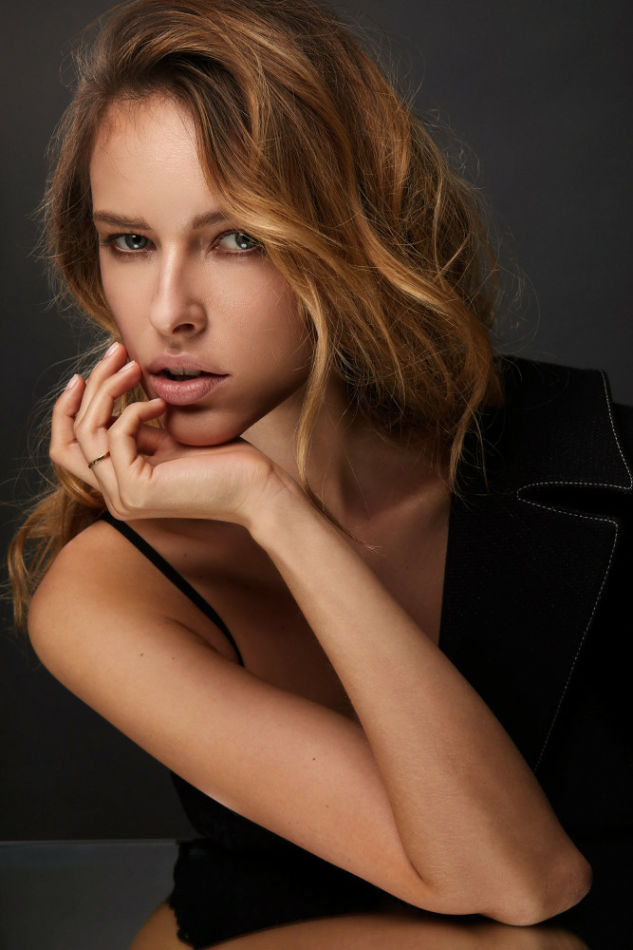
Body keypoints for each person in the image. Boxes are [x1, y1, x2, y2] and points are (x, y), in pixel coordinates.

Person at [9, 0, 631, 946]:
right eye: (130, 241)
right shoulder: (106, 595)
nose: (170, 312)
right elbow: (515, 884)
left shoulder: (583, 458)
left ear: (352, 235)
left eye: (238, 238)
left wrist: (278, 508)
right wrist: (272, 510)